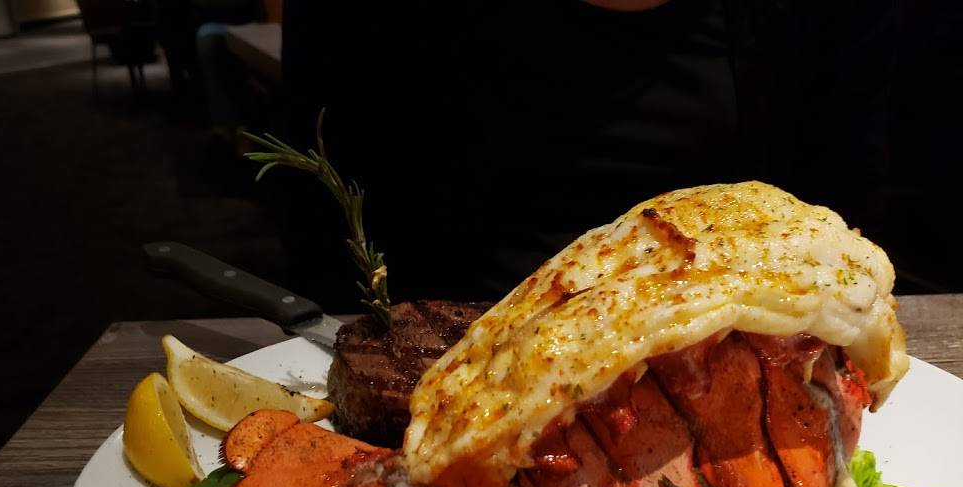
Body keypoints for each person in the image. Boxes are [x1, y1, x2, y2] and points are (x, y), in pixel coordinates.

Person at [272, 0, 901, 309]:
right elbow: (322, 243)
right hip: (442, 361)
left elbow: (848, 242)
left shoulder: (828, 16)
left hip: (739, 357)